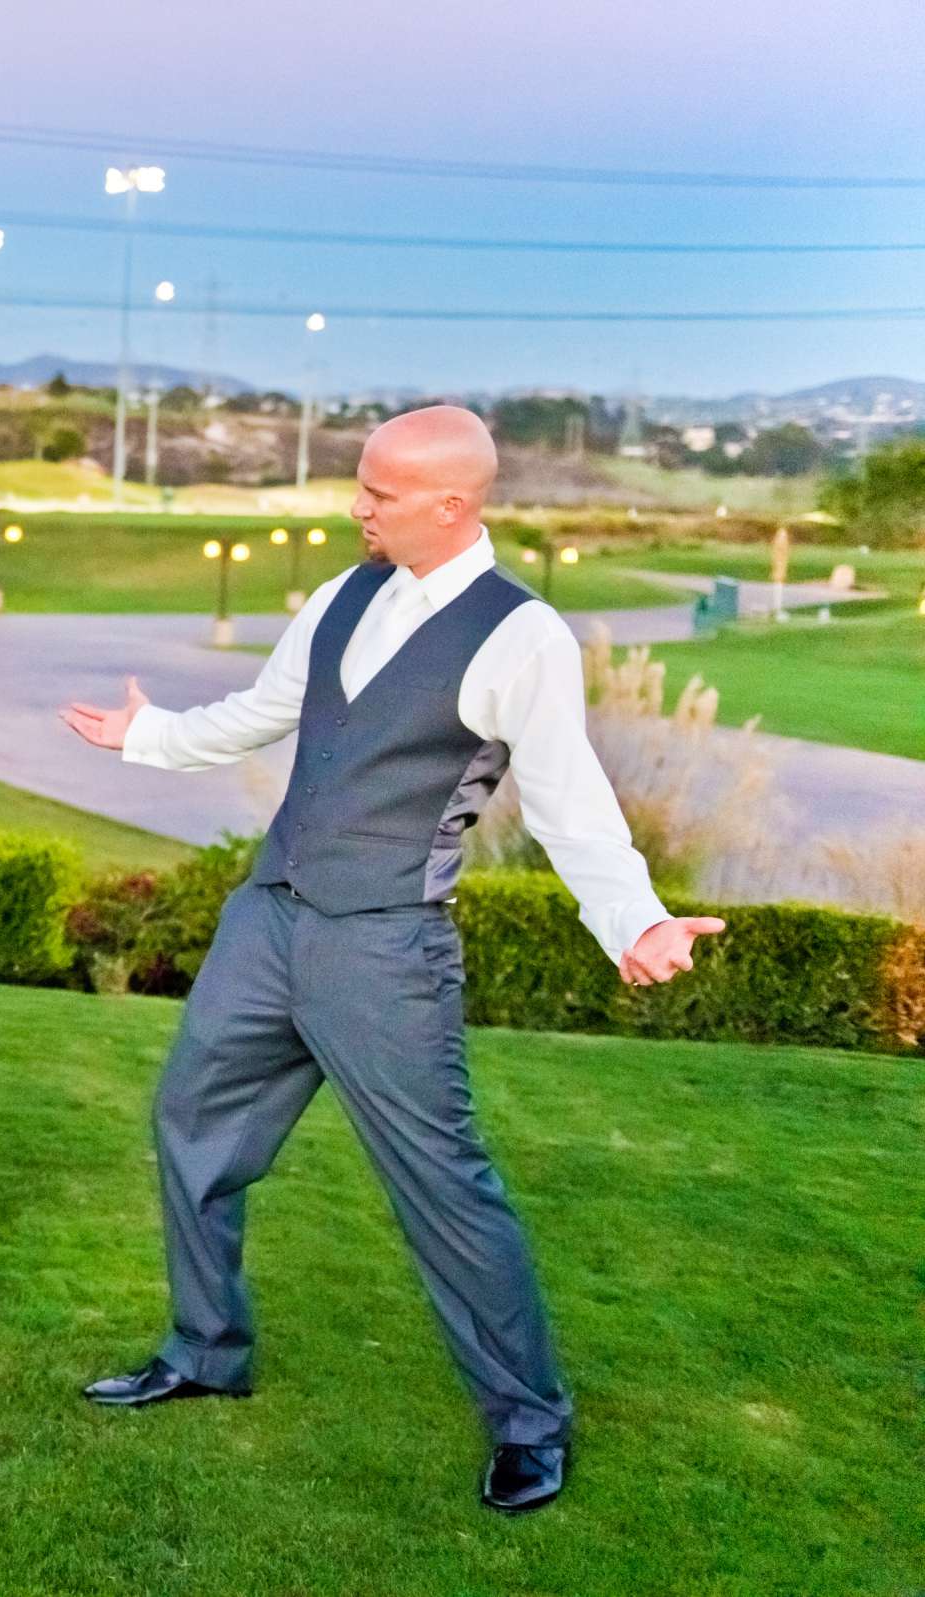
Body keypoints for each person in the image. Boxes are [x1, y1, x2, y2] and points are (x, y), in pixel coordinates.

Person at [60, 405, 727, 1514]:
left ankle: (529, 1421)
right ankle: (207, 1348)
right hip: (269, 917)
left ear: (452, 505)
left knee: (441, 1183)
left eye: (378, 492)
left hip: (384, 947)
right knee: (191, 1123)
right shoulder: (340, 595)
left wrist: (636, 920)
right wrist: (148, 734)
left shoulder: (523, 638)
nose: (356, 506)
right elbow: (265, 712)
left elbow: (571, 803)